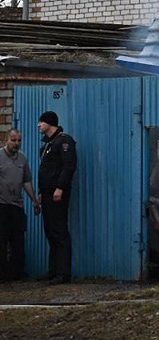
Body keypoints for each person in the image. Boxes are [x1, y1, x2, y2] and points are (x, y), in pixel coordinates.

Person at [37, 111, 76, 284]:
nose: (39, 125)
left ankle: (63, 273)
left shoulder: (64, 141)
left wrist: (60, 187)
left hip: (57, 193)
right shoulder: (48, 144)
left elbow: (68, 166)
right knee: (50, 230)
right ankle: (53, 270)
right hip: (46, 193)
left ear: (49, 123)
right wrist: (40, 191)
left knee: (59, 230)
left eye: (41, 122)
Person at [0, 129, 40, 281]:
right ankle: (3, 274)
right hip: (2, 205)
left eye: (19, 140)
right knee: (2, 240)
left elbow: (26, 181)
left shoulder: (22, 159)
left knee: (18, 240)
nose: (17, 143)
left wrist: (34, 200)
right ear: (6, 141)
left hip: (17, 205)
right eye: (13, 140)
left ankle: (17, 273)